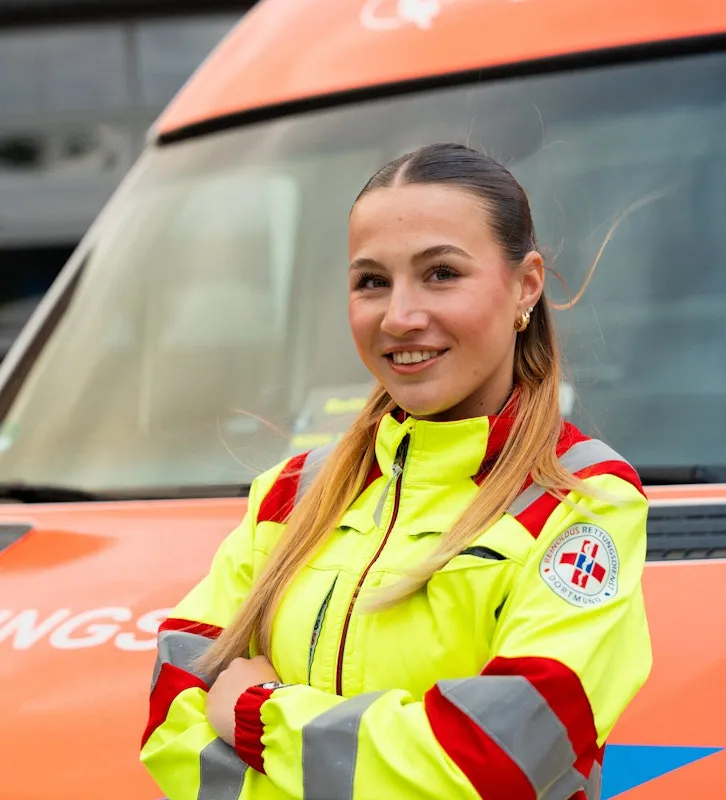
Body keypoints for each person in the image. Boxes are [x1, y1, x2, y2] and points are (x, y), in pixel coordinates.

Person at [140, 143, 651, 800]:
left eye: (441, 274)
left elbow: (493, 760)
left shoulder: (581, 502)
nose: (400, 317)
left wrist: (258, 715)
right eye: (371, 281)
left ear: (526, 285)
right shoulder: (293, 495)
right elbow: (172, 713)